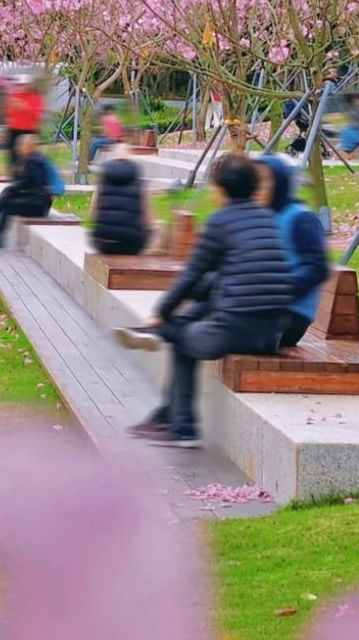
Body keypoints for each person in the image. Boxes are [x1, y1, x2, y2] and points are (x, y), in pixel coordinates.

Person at [116, 154, 292, 449]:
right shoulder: (267, 218)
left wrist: (160, 311)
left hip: (239, 327)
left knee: (183, 342)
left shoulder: (221, 222)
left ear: (221, 189)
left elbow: (191, 274)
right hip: (274, 330)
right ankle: (165, 412)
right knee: (190, 316)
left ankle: (184, 428)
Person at [256, 154, 329, 348]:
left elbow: (316, 267)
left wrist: (280, 291)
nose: (257, 189)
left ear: (279, 182)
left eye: (264, 182)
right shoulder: (263, 217)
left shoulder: (300, 218)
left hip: (290, 315)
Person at [0, 131, 53, 249]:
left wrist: (13, 187)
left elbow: (25, 183)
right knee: (8, 193)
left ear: (28, 147)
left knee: (7, 206)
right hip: (37, 201)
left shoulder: (33, 162)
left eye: (21, 146)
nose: (18, 148)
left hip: (38, 206)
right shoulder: (33, 160)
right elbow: (24, 184)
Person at [89, 133, 151, 256]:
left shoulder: (103, 179)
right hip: (131, 243)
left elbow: (93, 213)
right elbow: (148, 217)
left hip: (103, 242)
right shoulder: (138, 179)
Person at [4, 75, 46, 173]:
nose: (22, 87)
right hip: (15, 129)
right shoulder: (14, 97)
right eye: (20, 85)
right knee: (14, 153)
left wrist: (25, 107)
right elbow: (8, 113)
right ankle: (16, 174)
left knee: (28, 154)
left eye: (24, 85)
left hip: (29, 130)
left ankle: (29, 172)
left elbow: (37, 115)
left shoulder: (35, 98)